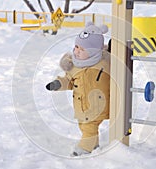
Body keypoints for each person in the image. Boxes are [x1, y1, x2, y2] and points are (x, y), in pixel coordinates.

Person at [46, 22, 110, 156]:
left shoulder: (104, 63)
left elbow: (118, 66)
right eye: (76, 47)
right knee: (84, 125)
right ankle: (93, 143)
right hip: (82, 104)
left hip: (99, 104)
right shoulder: (74, 66)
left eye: (82, 49)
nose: (77, 51)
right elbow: (68, 80)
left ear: (94, 52)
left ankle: (86, 147)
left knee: (88, 126)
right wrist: (58, 84)